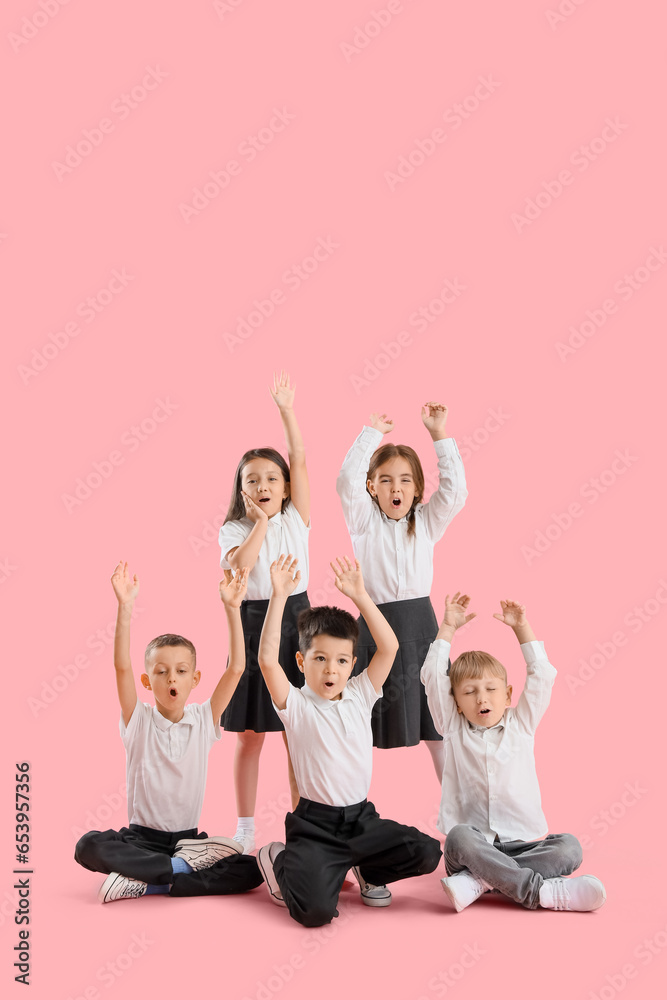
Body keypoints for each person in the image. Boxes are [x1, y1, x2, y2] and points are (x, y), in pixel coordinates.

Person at [255, 554, 441, 926]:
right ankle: (279, 857)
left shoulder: (360, 692)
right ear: (301, 661)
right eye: (320, 658)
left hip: (361, 821)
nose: (330, 669)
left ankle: (367, 867)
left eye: (341, 661)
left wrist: (360, 595)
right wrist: (278, 597)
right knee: (315, 913)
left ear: (353, 665)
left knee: (427, 852)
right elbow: (266, 661)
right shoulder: (296, 703)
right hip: (314, 827)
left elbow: (388, 647)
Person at [74, 561, 262, 902]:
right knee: (87, 845)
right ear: (147, 681)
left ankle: (151, 880)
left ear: (195, 679)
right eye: (161, 672)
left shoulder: (204, 719)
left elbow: (237, 668)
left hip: (189, 843)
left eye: (180, 670)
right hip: (140, 839)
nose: (171, 678)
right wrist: (125, 607)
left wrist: (232, 607)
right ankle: (174, 874)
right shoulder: (139, 720)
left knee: (250, 868)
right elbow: (121, 667)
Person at [420, 592, 606, 912]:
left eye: (491, 690)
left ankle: (482, 881)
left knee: (570, 848)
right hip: (473, 850)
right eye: (470, 692)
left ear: (507, 694)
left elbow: (542, 675)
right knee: (458, 837)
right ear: (455, 702)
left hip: (526, 846)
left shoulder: (522, 723)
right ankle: (540, 893)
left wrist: (522, 629)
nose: (482, 699)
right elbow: (432, 676)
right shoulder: (452, 727)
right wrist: (448, 628)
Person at [336, 403, 467, 782]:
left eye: (406, 479)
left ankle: (456, 817)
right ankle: (352, 811)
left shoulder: (426, 522)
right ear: (372, 486)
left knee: (438, 726)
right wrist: (372, 433)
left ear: (417, 488)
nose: (397, 488)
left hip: (421, 628)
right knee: (362, 724)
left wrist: (439, 433)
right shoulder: (362, 521)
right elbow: (347, 480)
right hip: (375, 628)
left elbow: (456, 491)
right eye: (387, 480)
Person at [219, 371, 310, 853]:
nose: (263, 484)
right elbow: (240, 566)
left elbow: (299, 456)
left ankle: (303, 825)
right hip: (252, 622)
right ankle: (246, 828)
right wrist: (258, 523)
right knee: (251, 733)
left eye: (272, 478)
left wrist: (286, 410)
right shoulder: (234, 529)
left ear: (287, 485)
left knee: (298, 732)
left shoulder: (297, 516)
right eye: (252, 480)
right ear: (241, 489)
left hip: (300, 623)